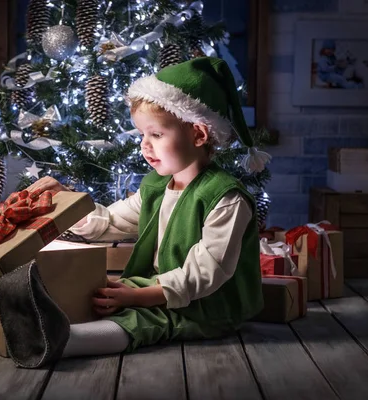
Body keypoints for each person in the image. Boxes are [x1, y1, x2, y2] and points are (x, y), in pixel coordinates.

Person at [24, 57, 270, 362]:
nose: (144, 145)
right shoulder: (156, 187)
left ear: (198, 135)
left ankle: (62, 340)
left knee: (145, 320)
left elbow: (205, 274)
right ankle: (35, 315)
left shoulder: (225, 198)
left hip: (208, 305)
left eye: (156, 134)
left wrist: (140, 297)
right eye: (142, 135)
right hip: (157, 287)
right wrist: (66, 202)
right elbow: (111, 221)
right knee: (102, 294)